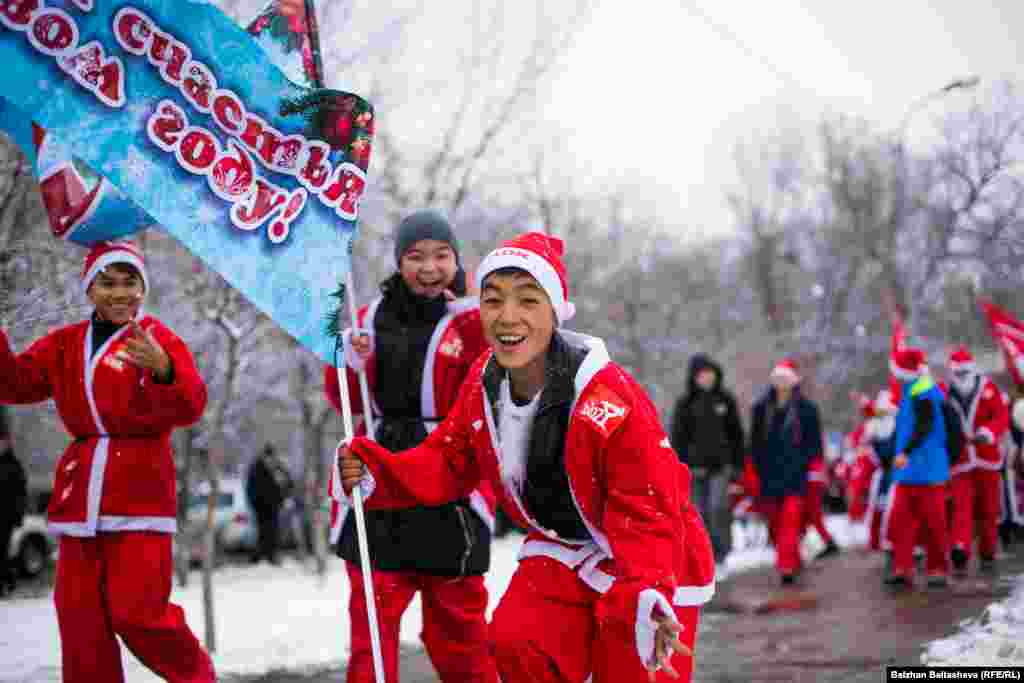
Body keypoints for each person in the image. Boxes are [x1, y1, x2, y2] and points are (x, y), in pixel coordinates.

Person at [335, 231, 714, 683]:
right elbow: (448, 459)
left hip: (647, 553)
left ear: (556, 310)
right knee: (516, 641)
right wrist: (379, 471)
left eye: (528, 300)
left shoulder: (606, 399)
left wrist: (645, 589)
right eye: (493, 301)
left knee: (631, 667)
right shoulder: (484, 382)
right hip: (564, 546)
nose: (507, 318)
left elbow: (650, 506)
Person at [0, 241, 214, 682]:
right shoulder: (65, 344)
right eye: (107, 283)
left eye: (129, 282)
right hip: (80, 502)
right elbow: (16, 383)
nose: (119, 294)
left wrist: (164, 370)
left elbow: (192, 404)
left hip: (140, 498)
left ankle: (197, 676)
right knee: (81, 623)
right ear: (89, 288)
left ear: (143, 287)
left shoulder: (157, 337)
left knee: (138, 614)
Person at [324, 209, 497, 683]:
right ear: (399, 261)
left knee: (459, 626)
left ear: (455, 261)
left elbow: (497, 376)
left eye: (441, 255)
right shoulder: (366, 317)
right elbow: (336, 393)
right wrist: (347, 360)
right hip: (380, 475)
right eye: (416, 256)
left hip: (450, 478)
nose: (429, 267)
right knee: (373, 623)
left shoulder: (471, 317)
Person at [749, 359, 823, 585]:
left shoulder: (807, 409)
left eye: (786, 379)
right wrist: (754, 470)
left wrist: (811, 468)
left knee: (790, 520)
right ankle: (792, 557)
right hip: (769, 475)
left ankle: (786, 566)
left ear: (793, 381)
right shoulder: (760, 409)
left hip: (796, 474)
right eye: (778, 379)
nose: (781, 383)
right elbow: (753, 443)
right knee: (775, 523)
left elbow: (815, 444)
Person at [669, 354, 745, 564]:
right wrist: (680, 466)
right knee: (698, 515)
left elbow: (736, 434)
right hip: (693, 470)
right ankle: (703, 558)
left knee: (717, 510)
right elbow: (678, 438)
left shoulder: (726, 400)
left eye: (709, 373)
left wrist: (738, 464)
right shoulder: (685, 403)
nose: (706, 378)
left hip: (720, 468)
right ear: (694, 377)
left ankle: (721, 555)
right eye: (702, 374)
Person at [884, 347, 951, 588]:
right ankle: (903, 567)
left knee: (933, 522)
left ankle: (937, 568)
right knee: (902, 519)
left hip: (927, 468)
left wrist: (905, 452)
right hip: (910, 470)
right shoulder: (910, 389)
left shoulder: (923, 389)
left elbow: (924, 425)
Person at [946, 346, 1010, 576]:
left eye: (965, 371)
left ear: (972, 369)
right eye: (957, 372)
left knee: (989, 507)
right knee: (961, 505)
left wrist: (988, 432)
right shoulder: (946, 392)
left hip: (987, 457)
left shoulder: (988, 388)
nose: (961, 376)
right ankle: (960, 548)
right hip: (961, 459)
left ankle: (988, 549)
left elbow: (1001, 416)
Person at [246, 443, 292, 565]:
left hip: (274, 506)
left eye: (272, 457)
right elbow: (252, 488)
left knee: (273, 532)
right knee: (264, 532)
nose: (270, 460)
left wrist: (284, 496)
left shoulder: (278, 467)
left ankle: (270, 556)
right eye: (268, 457)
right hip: (261, 506)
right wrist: (254, 503)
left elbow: (288, 483)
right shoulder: (256, 468)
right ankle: (262, 557)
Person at [0, 408, 28, 596]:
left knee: (3, 551)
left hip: (6, 516)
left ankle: (7, 582)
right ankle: (7, 581)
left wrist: (17, 515)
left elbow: (20, 493)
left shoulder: (13, 466)